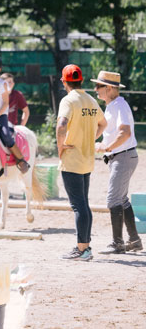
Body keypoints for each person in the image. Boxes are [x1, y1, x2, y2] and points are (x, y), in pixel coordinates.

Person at [56, 64, 106, 261]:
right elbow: (104, 123)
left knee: (78, 206)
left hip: (73, 160)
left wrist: (61, 146)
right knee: (84, 204)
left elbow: (61, 126)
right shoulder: (91, 100)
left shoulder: (68, 100)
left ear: (63, 81)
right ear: (81, 80)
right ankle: (85, 247)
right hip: (87, 159)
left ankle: (82, 249)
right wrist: (90, 138)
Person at [92, 70, 142, 254]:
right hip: (122, 156)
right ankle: (134, 240)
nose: (95, 89)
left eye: (99, 86)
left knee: (113, 199)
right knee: (121, 199)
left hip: (123, 156)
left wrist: (107, 148)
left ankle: (117, 243)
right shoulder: (112, 105)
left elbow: (124, 132)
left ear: (110, 88)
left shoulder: (119, 105)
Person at [0, 73, 32, 198]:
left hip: (10, 126)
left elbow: (26, 112)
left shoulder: (17, 95)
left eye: (11, 82)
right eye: (6, 82)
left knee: (9, 143)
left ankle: (21, 161)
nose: (9, 84)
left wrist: (22, 125)